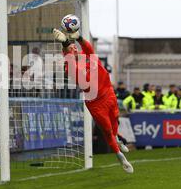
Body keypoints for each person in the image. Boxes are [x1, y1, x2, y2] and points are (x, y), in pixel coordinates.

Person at [53, 16, 133, 173]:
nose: (75, 48)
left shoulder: (87, 56)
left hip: (109, 94)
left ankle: (117, 140)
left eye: (75, 47)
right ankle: (120, 157)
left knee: (115, 121)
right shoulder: (71, 68)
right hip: (95, 103)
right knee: (107, 130)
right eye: (72, 48)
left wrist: (79, 37)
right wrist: (64, 43)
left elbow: (88, 48)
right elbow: (69, 56)